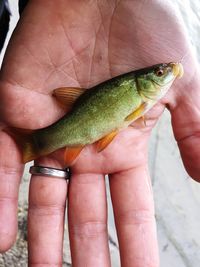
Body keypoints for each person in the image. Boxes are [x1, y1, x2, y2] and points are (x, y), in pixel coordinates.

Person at [0, 1, 199, 266]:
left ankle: (33, 144)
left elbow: (130, 119)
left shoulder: (143, 94)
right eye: (160, 73)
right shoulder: (139, 92)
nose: (166, 74)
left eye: (160, 72)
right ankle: (32, 144)